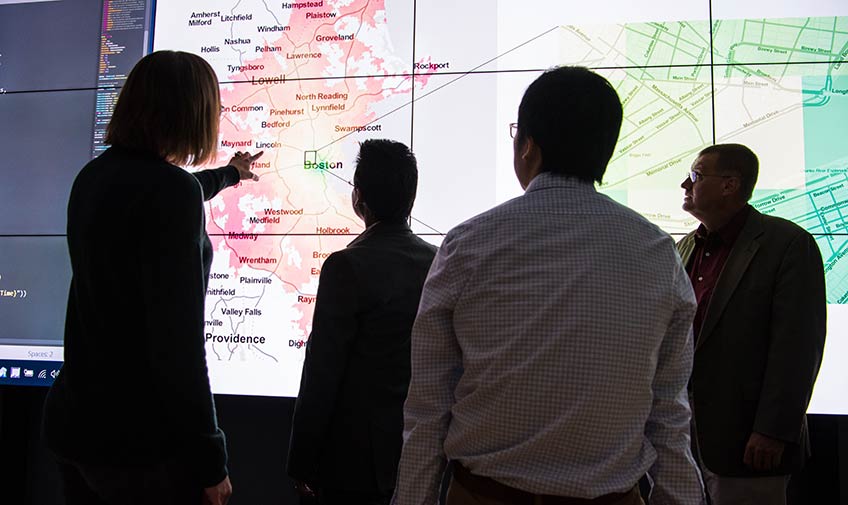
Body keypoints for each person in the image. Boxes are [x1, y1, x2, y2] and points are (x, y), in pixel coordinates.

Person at [393, 66, 704, 505]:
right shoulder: (657, 252)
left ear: (529, 148)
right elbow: (669, 414)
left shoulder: (468, 243)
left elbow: (429, 406)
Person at [42, 50, 262, 505]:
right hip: (139, 449)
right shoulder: (170, 194)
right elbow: (177, 346)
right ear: (192, 114)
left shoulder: (93, 177)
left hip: (77, 427)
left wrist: (230, 175)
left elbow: (159, 193)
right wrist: (210, 461)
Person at [287, 139, 438, 505]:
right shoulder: (437, 261)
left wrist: (301, 461)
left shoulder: (346, 266)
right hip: (417, 455)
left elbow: (323, 373)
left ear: (359, 198)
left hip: (352, 466)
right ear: (411, 199)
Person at [677, 143, 826, 505]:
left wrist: (773, 430)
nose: (685, 184)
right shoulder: (682, 248)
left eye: (696, 175)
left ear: (730, 185)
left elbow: (797, 346)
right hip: (681, 442)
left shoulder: (788, 244)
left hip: (749, 446)